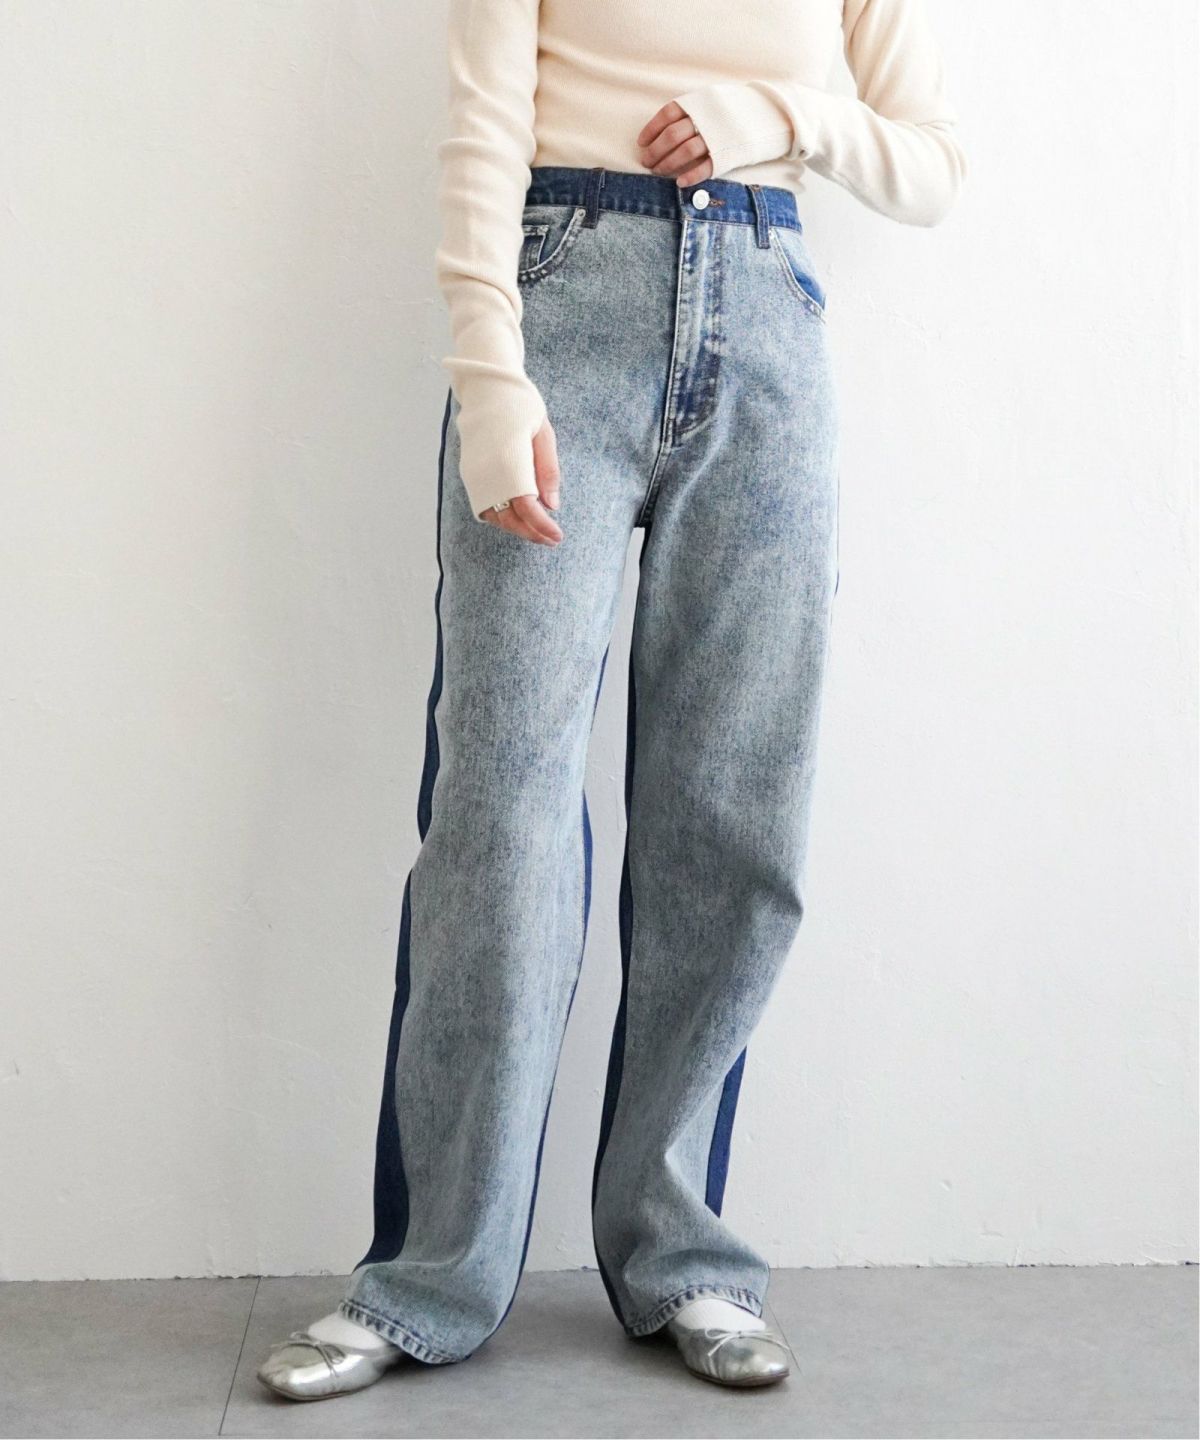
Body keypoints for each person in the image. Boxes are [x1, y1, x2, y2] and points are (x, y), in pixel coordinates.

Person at [257, 0, 966, 1402]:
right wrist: (489, 378)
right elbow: (482, 129)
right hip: (559, 311)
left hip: (766, 315)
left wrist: (780, 120)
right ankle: (429, 1277)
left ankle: (682, 1257)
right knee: (499, 822)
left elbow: (933, 161)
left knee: (732, 814)